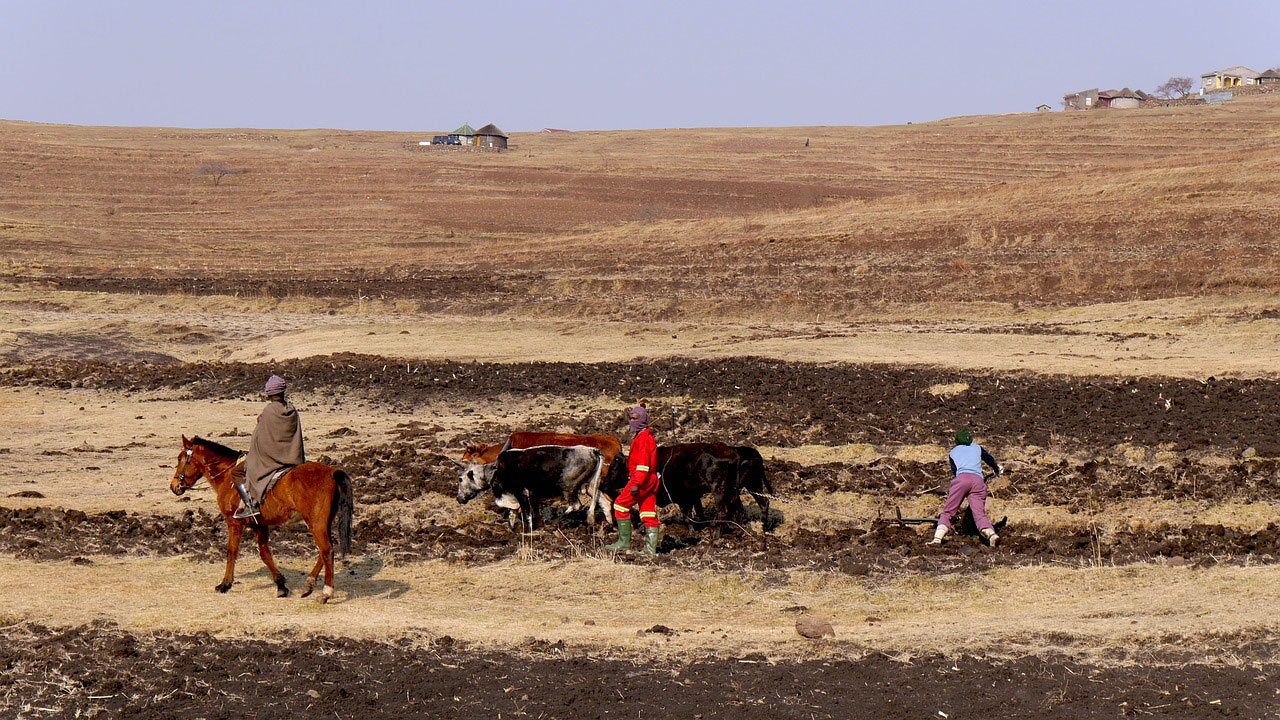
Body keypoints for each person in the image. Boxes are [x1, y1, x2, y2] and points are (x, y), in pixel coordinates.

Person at [236, 375, 306, 520]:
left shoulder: (268, 412)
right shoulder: (292, 410)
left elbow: (261, 439)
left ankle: (251, 505)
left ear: (269, 394)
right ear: (282, 392)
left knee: (237, 472)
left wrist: (254, 452)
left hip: (273, 460)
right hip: (293, 456)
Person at [928, 428, 1001, 547]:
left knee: (948, 512)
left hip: (962, 479)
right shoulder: (977, 448)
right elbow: (990, 459)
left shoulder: (953, 452)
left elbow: (954, 471)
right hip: (978, 481)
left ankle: (937, 539)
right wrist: (996, 469)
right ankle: (992, 535)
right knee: (980, 514)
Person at [605, 403, 661, 555]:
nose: (631, 421)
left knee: (620, 506)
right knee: (648, 512)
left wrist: (635, 483)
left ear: (642, 420)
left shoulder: (643, 439)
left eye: (635, 418)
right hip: (651, 480)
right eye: (630, 418)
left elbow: (643, 465)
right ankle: (650, 550)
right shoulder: (645, 436)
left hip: (641, 480)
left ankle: (623, 543)